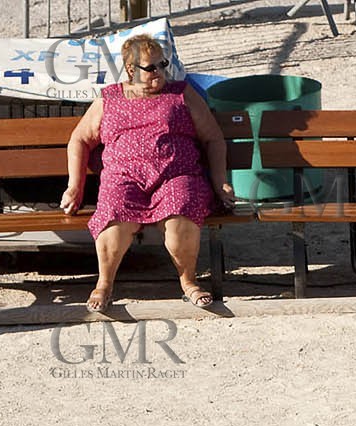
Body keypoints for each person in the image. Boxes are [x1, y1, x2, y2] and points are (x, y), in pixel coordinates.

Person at [60, 34, 235, 310]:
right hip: (124, 178)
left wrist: (220, 182)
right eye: (150, 67)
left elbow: (213, 138)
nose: (159, 72)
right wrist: (75, 186)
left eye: (162, 64)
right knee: (113, 213)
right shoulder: (110, 98)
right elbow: (80, 139)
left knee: (181, 211)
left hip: (175, 175)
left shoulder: (181, 93)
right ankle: (104, 284)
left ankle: (188, 281)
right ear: (131, 70)